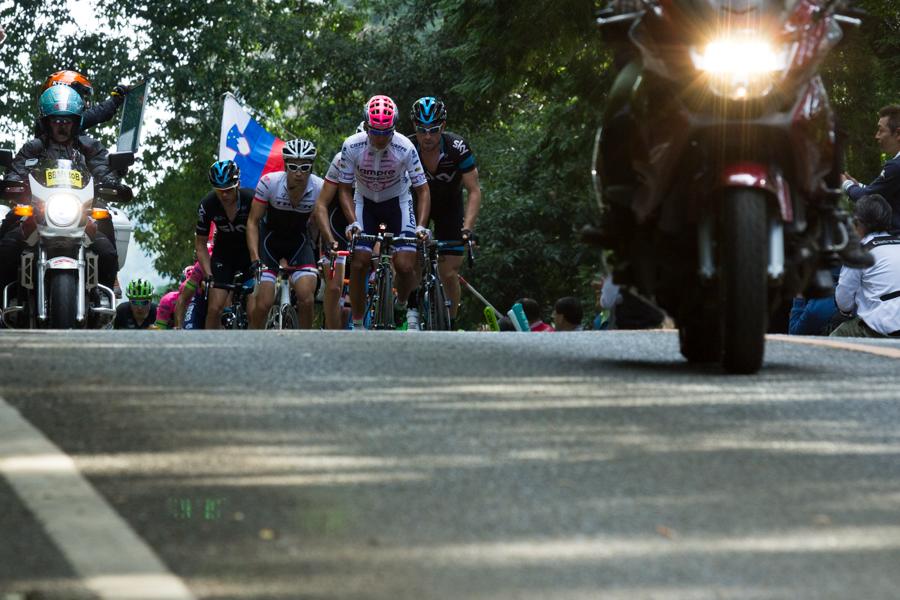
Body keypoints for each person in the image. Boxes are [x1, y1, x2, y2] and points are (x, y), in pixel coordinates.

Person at [0, 86, 123, 297]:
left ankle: (106, 288)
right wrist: (11, 181)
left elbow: (101, 166)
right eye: (56, 120)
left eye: (68, 120)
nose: (62, 126)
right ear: (46, 122)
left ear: (76, 121)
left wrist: (110, 180)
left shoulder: (89, 147)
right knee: (7, 243)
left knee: (107, 250)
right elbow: (17, 168)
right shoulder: (33, 148)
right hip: (38, 207)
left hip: (80, 208)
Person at [339, 95, 431, 330]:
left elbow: (423, 191)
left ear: (394, 127)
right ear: (366, 126)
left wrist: (421, 226)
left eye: (386, 132)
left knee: (406, 267)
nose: (381, 138)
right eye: (375, 132)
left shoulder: (405, 147)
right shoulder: (351, 145)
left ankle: (401, 305)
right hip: (365, 203)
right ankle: (358, 324)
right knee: (359, 263)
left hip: (397, 202)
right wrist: (353, 222)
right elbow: (344, 190)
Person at [406, 97, 482, 330]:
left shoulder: (458, 147)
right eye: (421, 130)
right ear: (414, 127)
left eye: (434, 129)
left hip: (450, 205)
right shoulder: (406, 147)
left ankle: (450, 324)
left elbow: (474, 191)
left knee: (449, 273)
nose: (427, 136)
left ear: (444, 126)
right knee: (411, 261)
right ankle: (411, 310)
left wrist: (467, 229)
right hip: (417, 203)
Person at [247, 139, 323, 329]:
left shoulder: (319, 187)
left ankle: (303, 344)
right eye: (293, 167)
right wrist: (255, 258)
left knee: (307, 299)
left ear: (312, 167)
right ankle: (253, 340)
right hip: (269, 244)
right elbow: (253, 222)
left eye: (304, 167)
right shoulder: (269, 183)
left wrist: (323, 254)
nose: (298, 173)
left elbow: (323, 225)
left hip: (299, 243)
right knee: (263, 304)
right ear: (285, 166)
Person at [314, 122, 365, 330]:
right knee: (335, 289)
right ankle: (332, 335)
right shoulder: (341, 160)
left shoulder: (389, 161)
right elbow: (321, 205)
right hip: (339, 224)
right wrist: (329, 241)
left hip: (367, 222)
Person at [195, 160, 256, 329]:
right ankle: (211, 344)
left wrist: (260, 259)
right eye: (219, 190)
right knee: (215, 308)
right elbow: (200, 245)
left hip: (249, 255)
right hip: (224, 256)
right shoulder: (207, 204)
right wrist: (208, 274)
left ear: (239, 185)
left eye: (228, 189)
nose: (224, 195)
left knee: (254, 312)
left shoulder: (251, 199)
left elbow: (266, 231)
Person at [831, 194, 900, 338]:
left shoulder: (859, 252)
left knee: (839, 334)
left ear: (858, 223)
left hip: (889, 327)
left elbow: (844, 303)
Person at [842, 105, 900, 234]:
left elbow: (868, 197)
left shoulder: (896, 166)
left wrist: (846, 183)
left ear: (898, 133)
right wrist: (859, 186)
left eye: (880, 130)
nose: (877, 136)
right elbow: (884, 191)